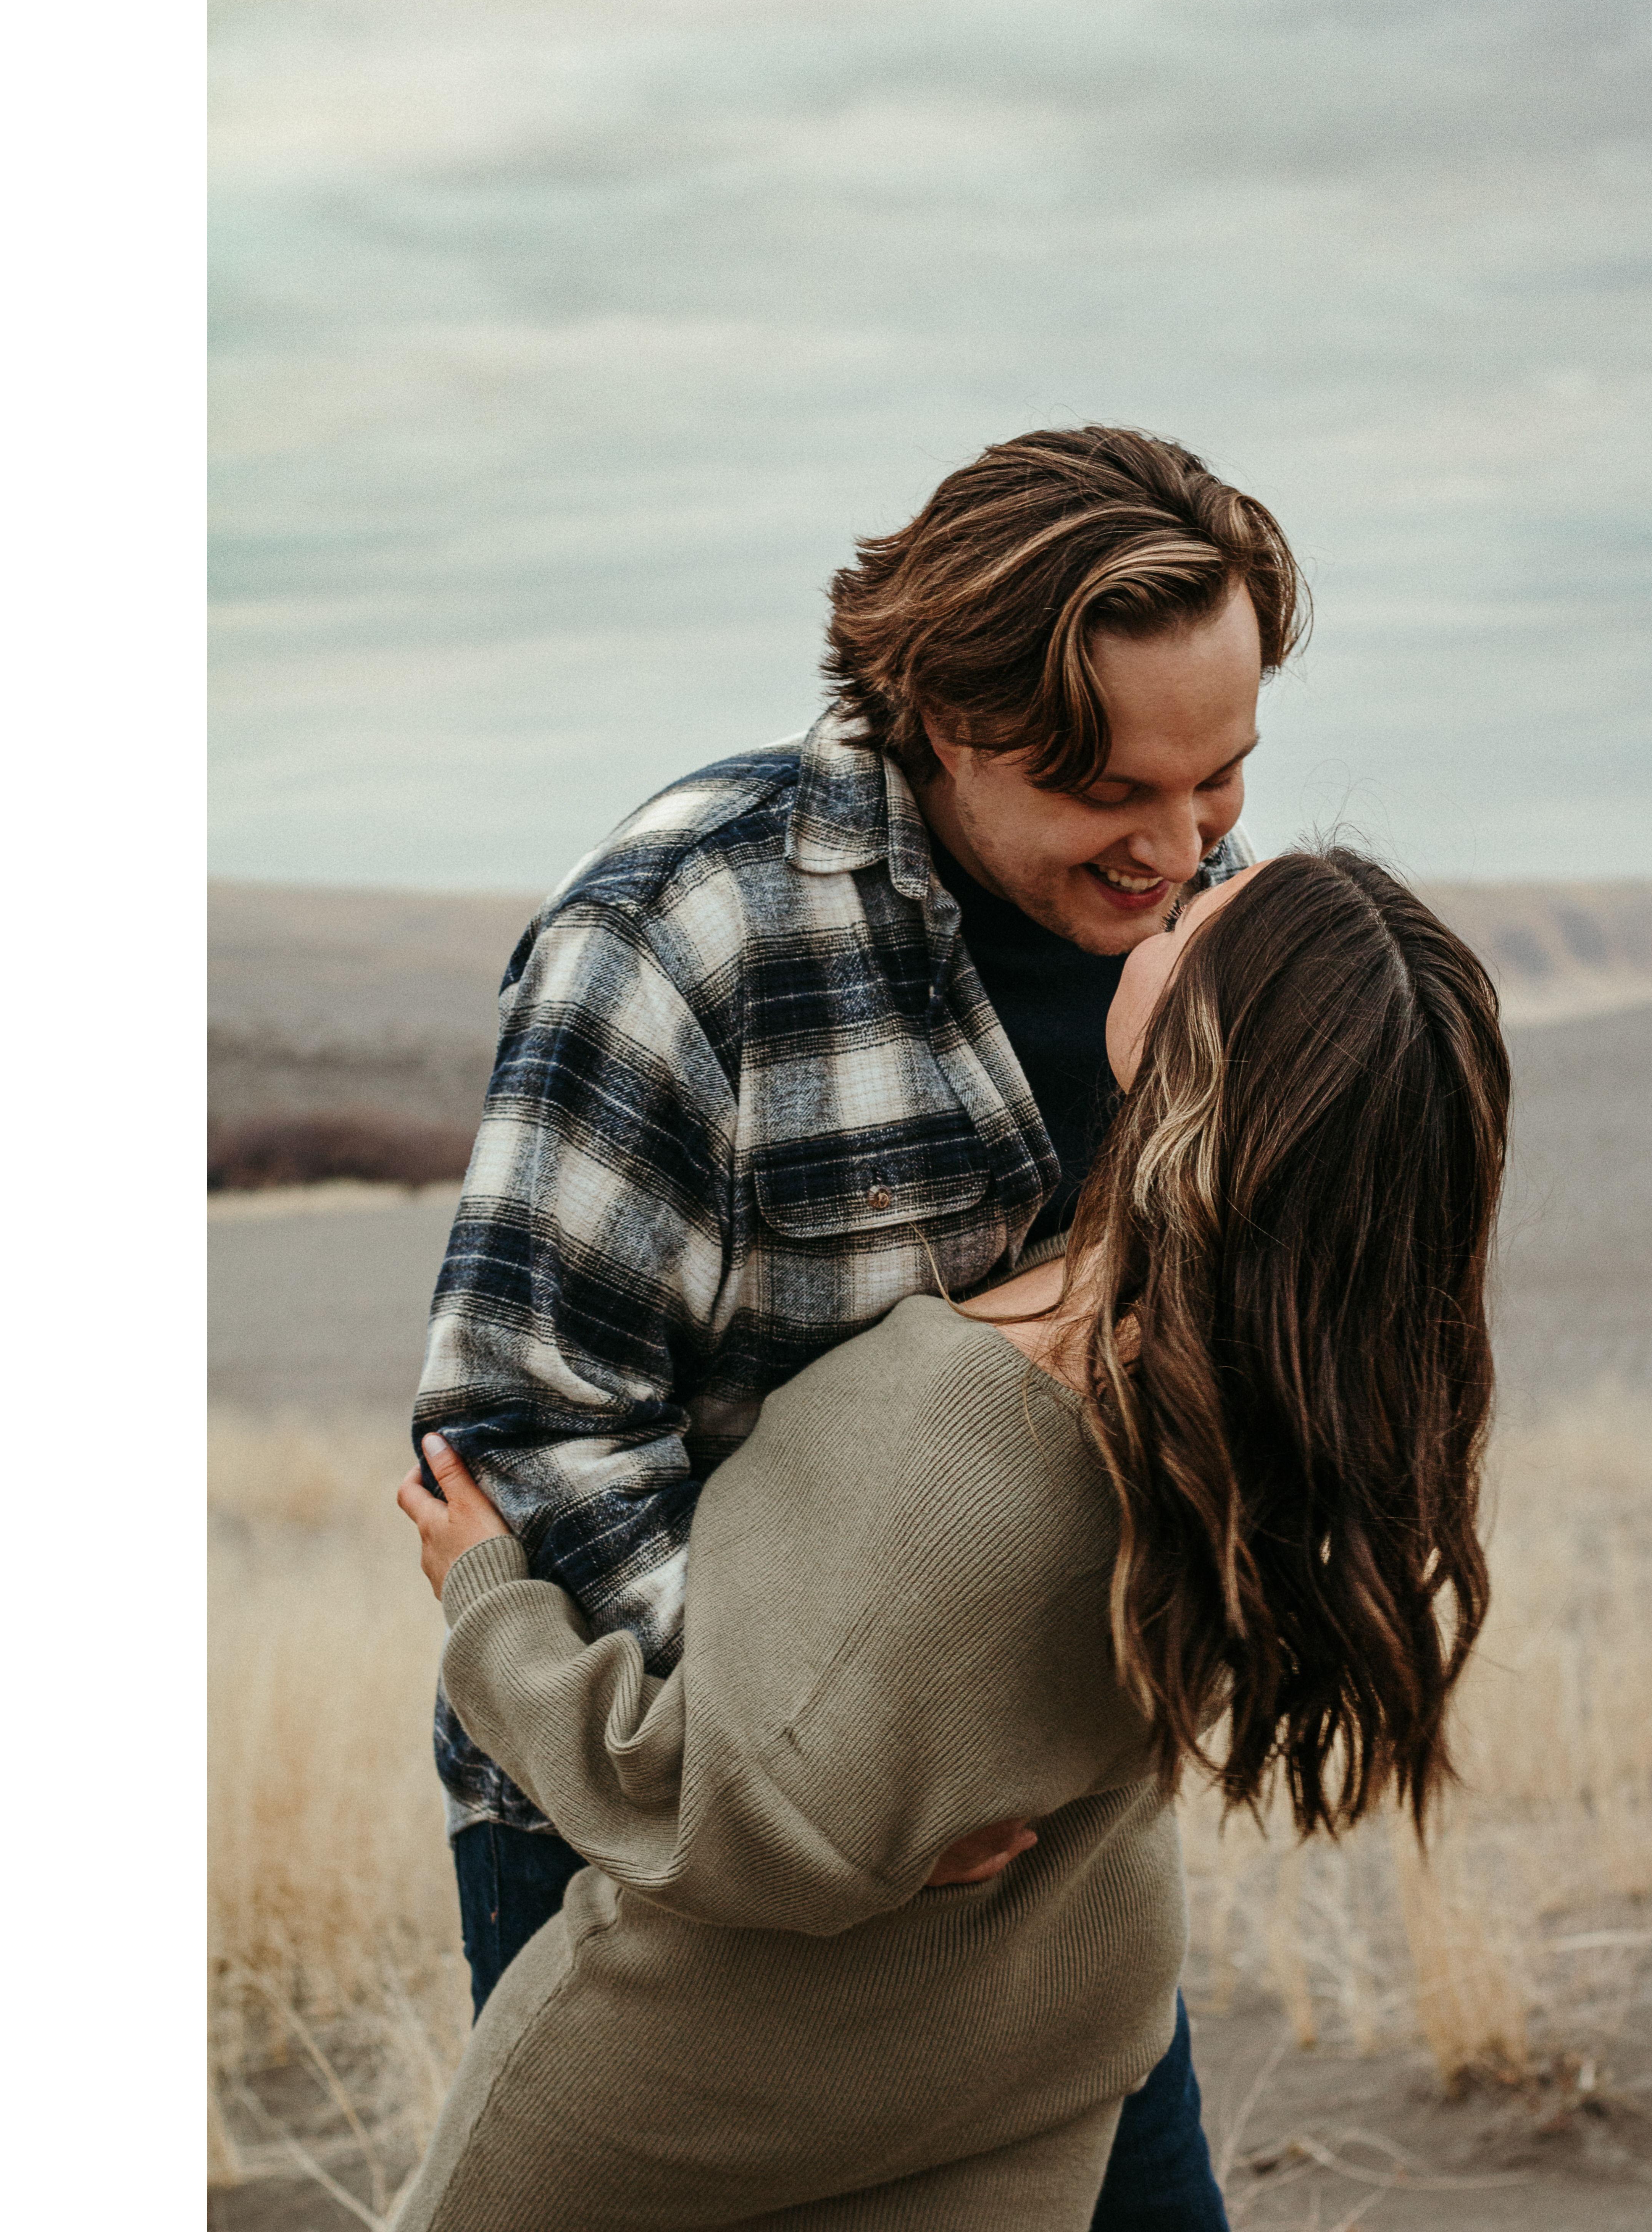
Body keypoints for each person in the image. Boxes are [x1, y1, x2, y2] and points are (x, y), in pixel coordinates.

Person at [413, 426, 1305, 2221]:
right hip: (669, 1845)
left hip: (1056, 1871)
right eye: (1114, 791)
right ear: (952, 719)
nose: (1181, 845)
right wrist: (842, 1780)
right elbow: (528, 1431)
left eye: (1221, 778)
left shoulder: (1207, 946)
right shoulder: (680, 933)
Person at [395, 846, 1510, 2230]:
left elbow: (715, 1807)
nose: (1172, 894)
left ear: (1205, 1048)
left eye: (1195, 923)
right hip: (1028, 2059)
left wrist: (491, 1606)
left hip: (716, 2095)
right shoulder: (1248, 1416)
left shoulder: (977, 1440)